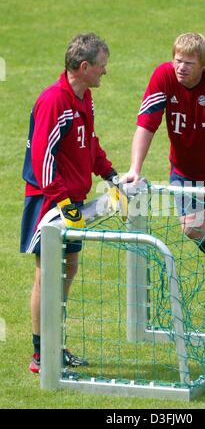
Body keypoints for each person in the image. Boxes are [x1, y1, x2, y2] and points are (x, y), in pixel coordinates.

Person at [122, 32, 205, 324]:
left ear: (204, 65)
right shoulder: (163, 77)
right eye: (177, 61)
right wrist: (135, 168)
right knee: (194, 228)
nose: (181, 67)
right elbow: (146, 124)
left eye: (188, 63)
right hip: (185, 169)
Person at [20, 33, 126, 373]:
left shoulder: (85, 99)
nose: (104, 73)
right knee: (47, 274)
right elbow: (42, 158)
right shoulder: (54, 101)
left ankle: (55, 343)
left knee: (68, 269)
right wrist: (62, 202)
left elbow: (89, 143)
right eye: (101, 66)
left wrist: (109, 174)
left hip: (72, 200)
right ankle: (41, 353)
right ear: (84, 67)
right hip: (48, 201)